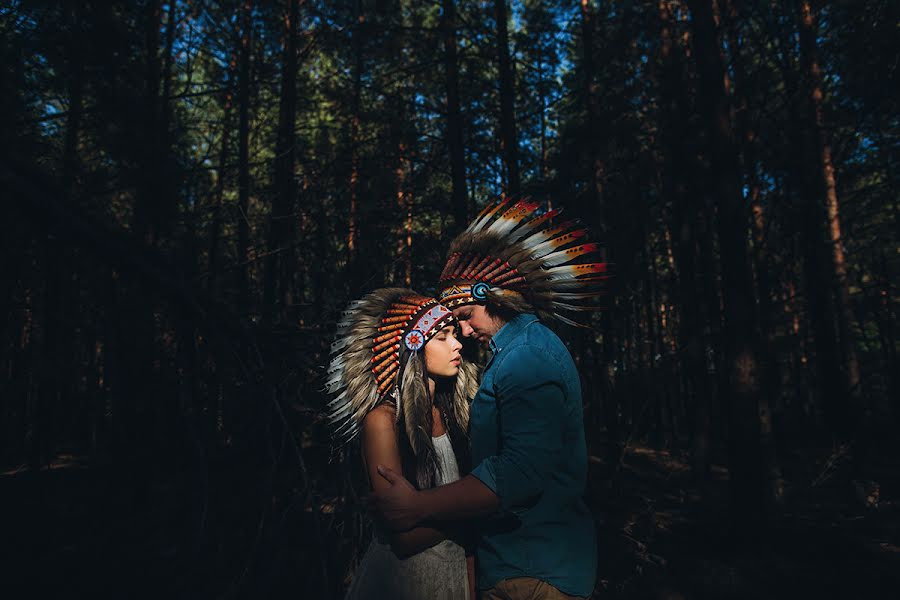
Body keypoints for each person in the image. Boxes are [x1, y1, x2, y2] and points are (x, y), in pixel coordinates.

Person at [369, 199, 610, 600]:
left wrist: (420, 507)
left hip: (532, 573)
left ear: (495, 298)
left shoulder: (528, 357)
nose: (462, 332)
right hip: (515, 568)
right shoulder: (510, 359)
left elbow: (519, 473)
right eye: (448, 328)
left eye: (464, 316)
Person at [325, 288, 481, 600]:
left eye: (455, 334)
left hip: (453, 582)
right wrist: (476, 515)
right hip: (400, 582)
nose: (457, 344)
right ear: (414, 346)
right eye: (443, 336)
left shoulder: (457, 417)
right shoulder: (382, 421)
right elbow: (404, 538)